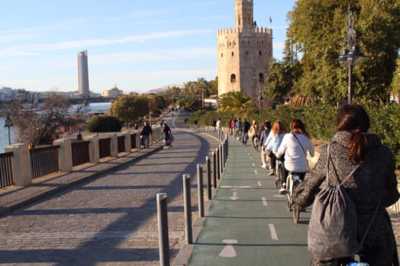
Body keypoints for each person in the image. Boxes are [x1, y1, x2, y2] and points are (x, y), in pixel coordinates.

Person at [294, 105, 399, 266]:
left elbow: (310, 186)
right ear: (366, 124)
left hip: (336, 230)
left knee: (323, 258)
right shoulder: (384, 153)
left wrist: (300, 200)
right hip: (375, 231)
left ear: (340, 124)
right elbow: (391, 195)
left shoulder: (330, 152)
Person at [276, 119, 314, 193]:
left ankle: (284, 184)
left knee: (282, 162)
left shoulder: (287, 137)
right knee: (303, 182)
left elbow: (280, 151)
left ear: (291, 127)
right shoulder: (306, 138)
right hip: (303, 167)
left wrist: (277, 155)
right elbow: (312, 154)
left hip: (290, 166)